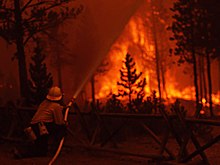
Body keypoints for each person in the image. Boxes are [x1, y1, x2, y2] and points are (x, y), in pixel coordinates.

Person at [13, 86, 68, 158]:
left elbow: (47, 111)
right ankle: (57, 148)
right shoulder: (56, 106)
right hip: (43, 127)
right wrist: (65, 123)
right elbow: (59, 122)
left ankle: (21, 152)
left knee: (40, 148)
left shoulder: (44, 103)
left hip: (34, 126)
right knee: (62, 128)